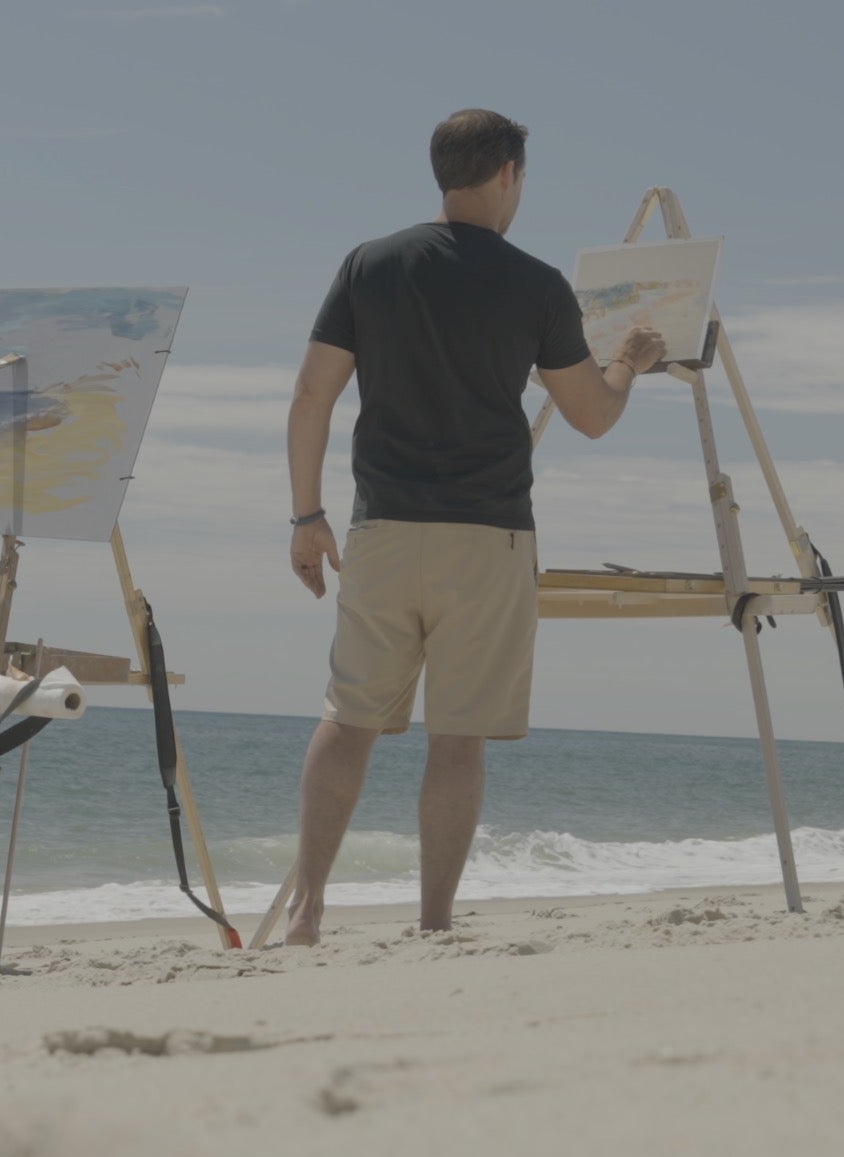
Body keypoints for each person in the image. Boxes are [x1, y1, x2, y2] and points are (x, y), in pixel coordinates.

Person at [277, 109, 668, 946]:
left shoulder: (370, 264)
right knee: (456, 740)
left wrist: (307, 515)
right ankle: (433, 922)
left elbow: (312, 397)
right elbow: (591, 414)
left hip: (380, 529)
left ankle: (307, 911)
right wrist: (631, 360)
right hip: (488, 536)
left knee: (348, 721)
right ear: (508, 176)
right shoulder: (534, 284)